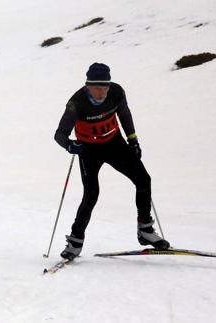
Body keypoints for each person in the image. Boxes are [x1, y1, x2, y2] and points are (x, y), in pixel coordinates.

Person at [54, 62, 170, 260]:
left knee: (143, 180)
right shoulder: (76, 103)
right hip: (89, 150)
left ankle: (145, 230)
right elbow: (59, 135)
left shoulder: (116, 92)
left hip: (114, 143)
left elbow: (124, 114)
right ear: (87, 86)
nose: (101, 92)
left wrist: (132, 139)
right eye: (96, 87)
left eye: (105, 86)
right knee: (91, 194)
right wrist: (70, 145)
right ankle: (75, 242)